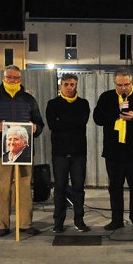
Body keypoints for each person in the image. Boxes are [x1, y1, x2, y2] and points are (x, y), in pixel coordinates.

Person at [0, 65, 44, 237]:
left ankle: (25, 223)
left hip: (25, 150)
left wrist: (35, 128)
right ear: (3, 78)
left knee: (24, 187)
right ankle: (2, 225)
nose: (12, 80)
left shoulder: (29, 99)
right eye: (9, 77)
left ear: (20, 80)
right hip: (1, 150)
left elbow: (39, 123)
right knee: (3, 188)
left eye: (16, 78)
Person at [93, 67, 133, 234]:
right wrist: (117, 113)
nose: (123, 88)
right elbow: (97, 118)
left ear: (131, 82)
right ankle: (116, 220)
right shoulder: (107, 97)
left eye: (126, 84)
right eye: (120, 85)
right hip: (114, 150)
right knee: (115, 187)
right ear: (115, 83)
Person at [46, 73, 91, 233]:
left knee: (79, 188)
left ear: (76, 85)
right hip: (60, 153)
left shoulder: (83, 103)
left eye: (72, 84)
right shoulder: (52, 104)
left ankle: (79, 220)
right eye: (66, 84)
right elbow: (52, 124)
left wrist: (62, 120)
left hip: (79, 153)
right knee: (60, 188)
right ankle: (58, 223)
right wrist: (70, 121)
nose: (70, 87)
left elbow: (82, 122)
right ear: (61, 85)